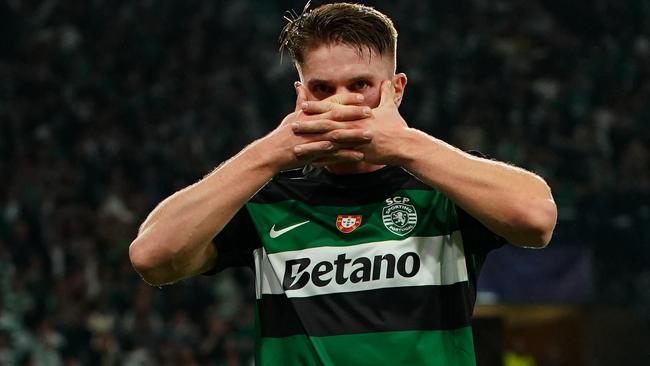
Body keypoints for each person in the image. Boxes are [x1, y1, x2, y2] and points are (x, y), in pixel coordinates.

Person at [129, 2, 557, 365]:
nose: (341, 102)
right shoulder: (268, 200)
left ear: (395, 90)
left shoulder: (444, 188)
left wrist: (404, 144)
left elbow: (536, 220)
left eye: (360, 85)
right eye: (322, 88)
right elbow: (152, 257)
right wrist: (271, 152)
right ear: (301, 97)